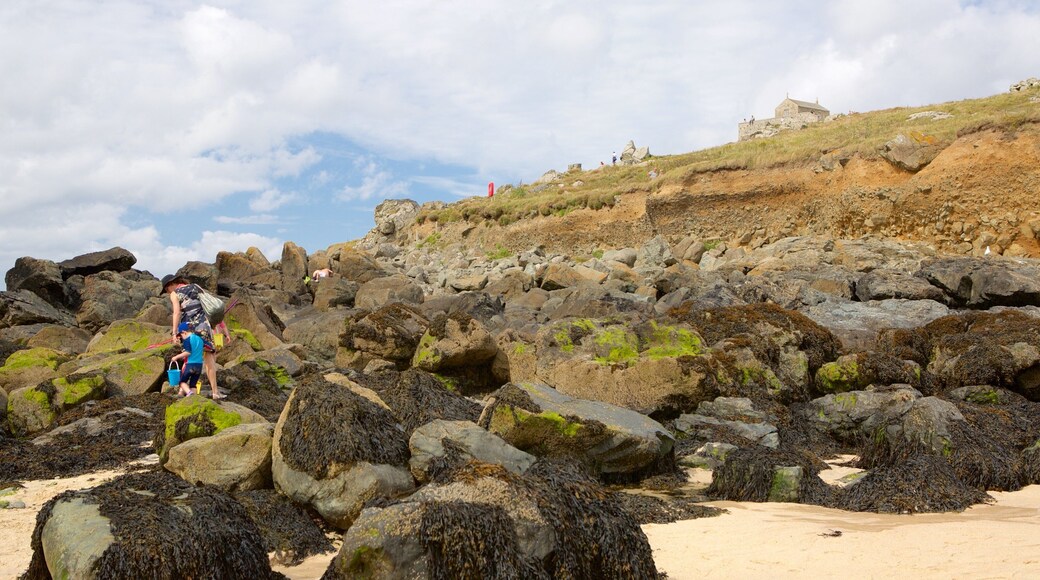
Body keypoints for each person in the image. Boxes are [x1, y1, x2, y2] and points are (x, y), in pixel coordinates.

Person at [160, 274, 224, 399]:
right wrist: (216, 327)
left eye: (166, 290)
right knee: (209, 359)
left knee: (187, 358)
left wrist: (174, 333)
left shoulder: (175, 293)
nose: (168, 293)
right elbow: (208, 305)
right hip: (204, 326)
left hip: (189, 329)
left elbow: (177, 313)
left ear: (170, 285)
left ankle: (181, 390)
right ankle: (215, 392)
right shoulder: (196, 287)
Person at [170, 322, 204, 396]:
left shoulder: (187, 340)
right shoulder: (200, 339)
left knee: (181, 382)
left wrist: (176, 357)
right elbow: (208, 346)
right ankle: (194, 399)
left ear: (184, 332)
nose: (181, 338)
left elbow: (188, 352)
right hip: (199, 365)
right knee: (193, 384)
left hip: (190, 364)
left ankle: (189, 393)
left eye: (181, 335)